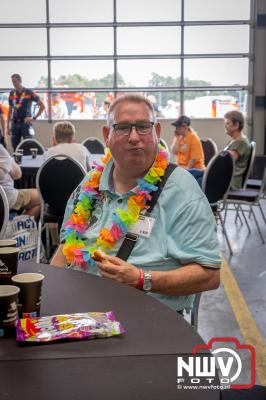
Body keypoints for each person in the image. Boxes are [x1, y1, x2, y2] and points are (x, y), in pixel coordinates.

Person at [51, 94, 221, 313]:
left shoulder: (181, 190)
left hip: (145, 317)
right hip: (78, 309)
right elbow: (66, 247)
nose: (133, 137)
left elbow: (209, 275)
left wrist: (142, 278)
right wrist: (50, 294)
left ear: (156, 132)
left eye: (142, 127)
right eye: (122, 127)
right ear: (107, 135)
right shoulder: (90, 183)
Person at [0, 144, 41, 218]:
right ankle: (19, 227)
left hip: (4, 198)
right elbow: (17, 174)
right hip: (5, 199)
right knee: (41, 196)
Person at [7, 74, 45, 151]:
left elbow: (42, 106)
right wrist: (8, 126)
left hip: (26, 124)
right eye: (12, 82)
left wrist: (34, 118)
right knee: (15, 148)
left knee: (29, 147)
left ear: (20, 81)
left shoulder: (29, 92)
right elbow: (10, 110)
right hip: (14, 124)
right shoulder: (12, 94)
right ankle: (16, 162)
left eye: (15, 81)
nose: (14, 84)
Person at [224, 110, 251, 190]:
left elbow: (227, 162)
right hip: (226, 178)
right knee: (193, 173)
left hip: (229, 182)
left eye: (228, 123)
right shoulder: (236, 141)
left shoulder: (240, 142)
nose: (225, 126)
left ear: (236, 125)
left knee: (194, 180)